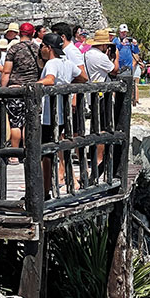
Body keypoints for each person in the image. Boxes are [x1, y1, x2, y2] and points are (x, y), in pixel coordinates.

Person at [38, 32, 88, 195]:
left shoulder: (52, 63)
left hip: (48, 115)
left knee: (45, 152)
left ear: (48, 47)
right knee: (58, 147)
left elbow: (50, 80)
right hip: (61, 114)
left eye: (42, 47)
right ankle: (62, 183)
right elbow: (83, 78)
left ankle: (44, 190)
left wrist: (28, 85)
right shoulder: (66, 62)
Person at [1, 22, 42, 150]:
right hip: (33, 88)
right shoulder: (38, 49)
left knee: (15, 122)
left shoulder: (13, 49)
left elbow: (6, 71)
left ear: (19, 33)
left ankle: (14, 152)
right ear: (33, 33)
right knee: (28, 121)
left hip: (16, 89)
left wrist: (2, 90)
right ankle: (27, 150)